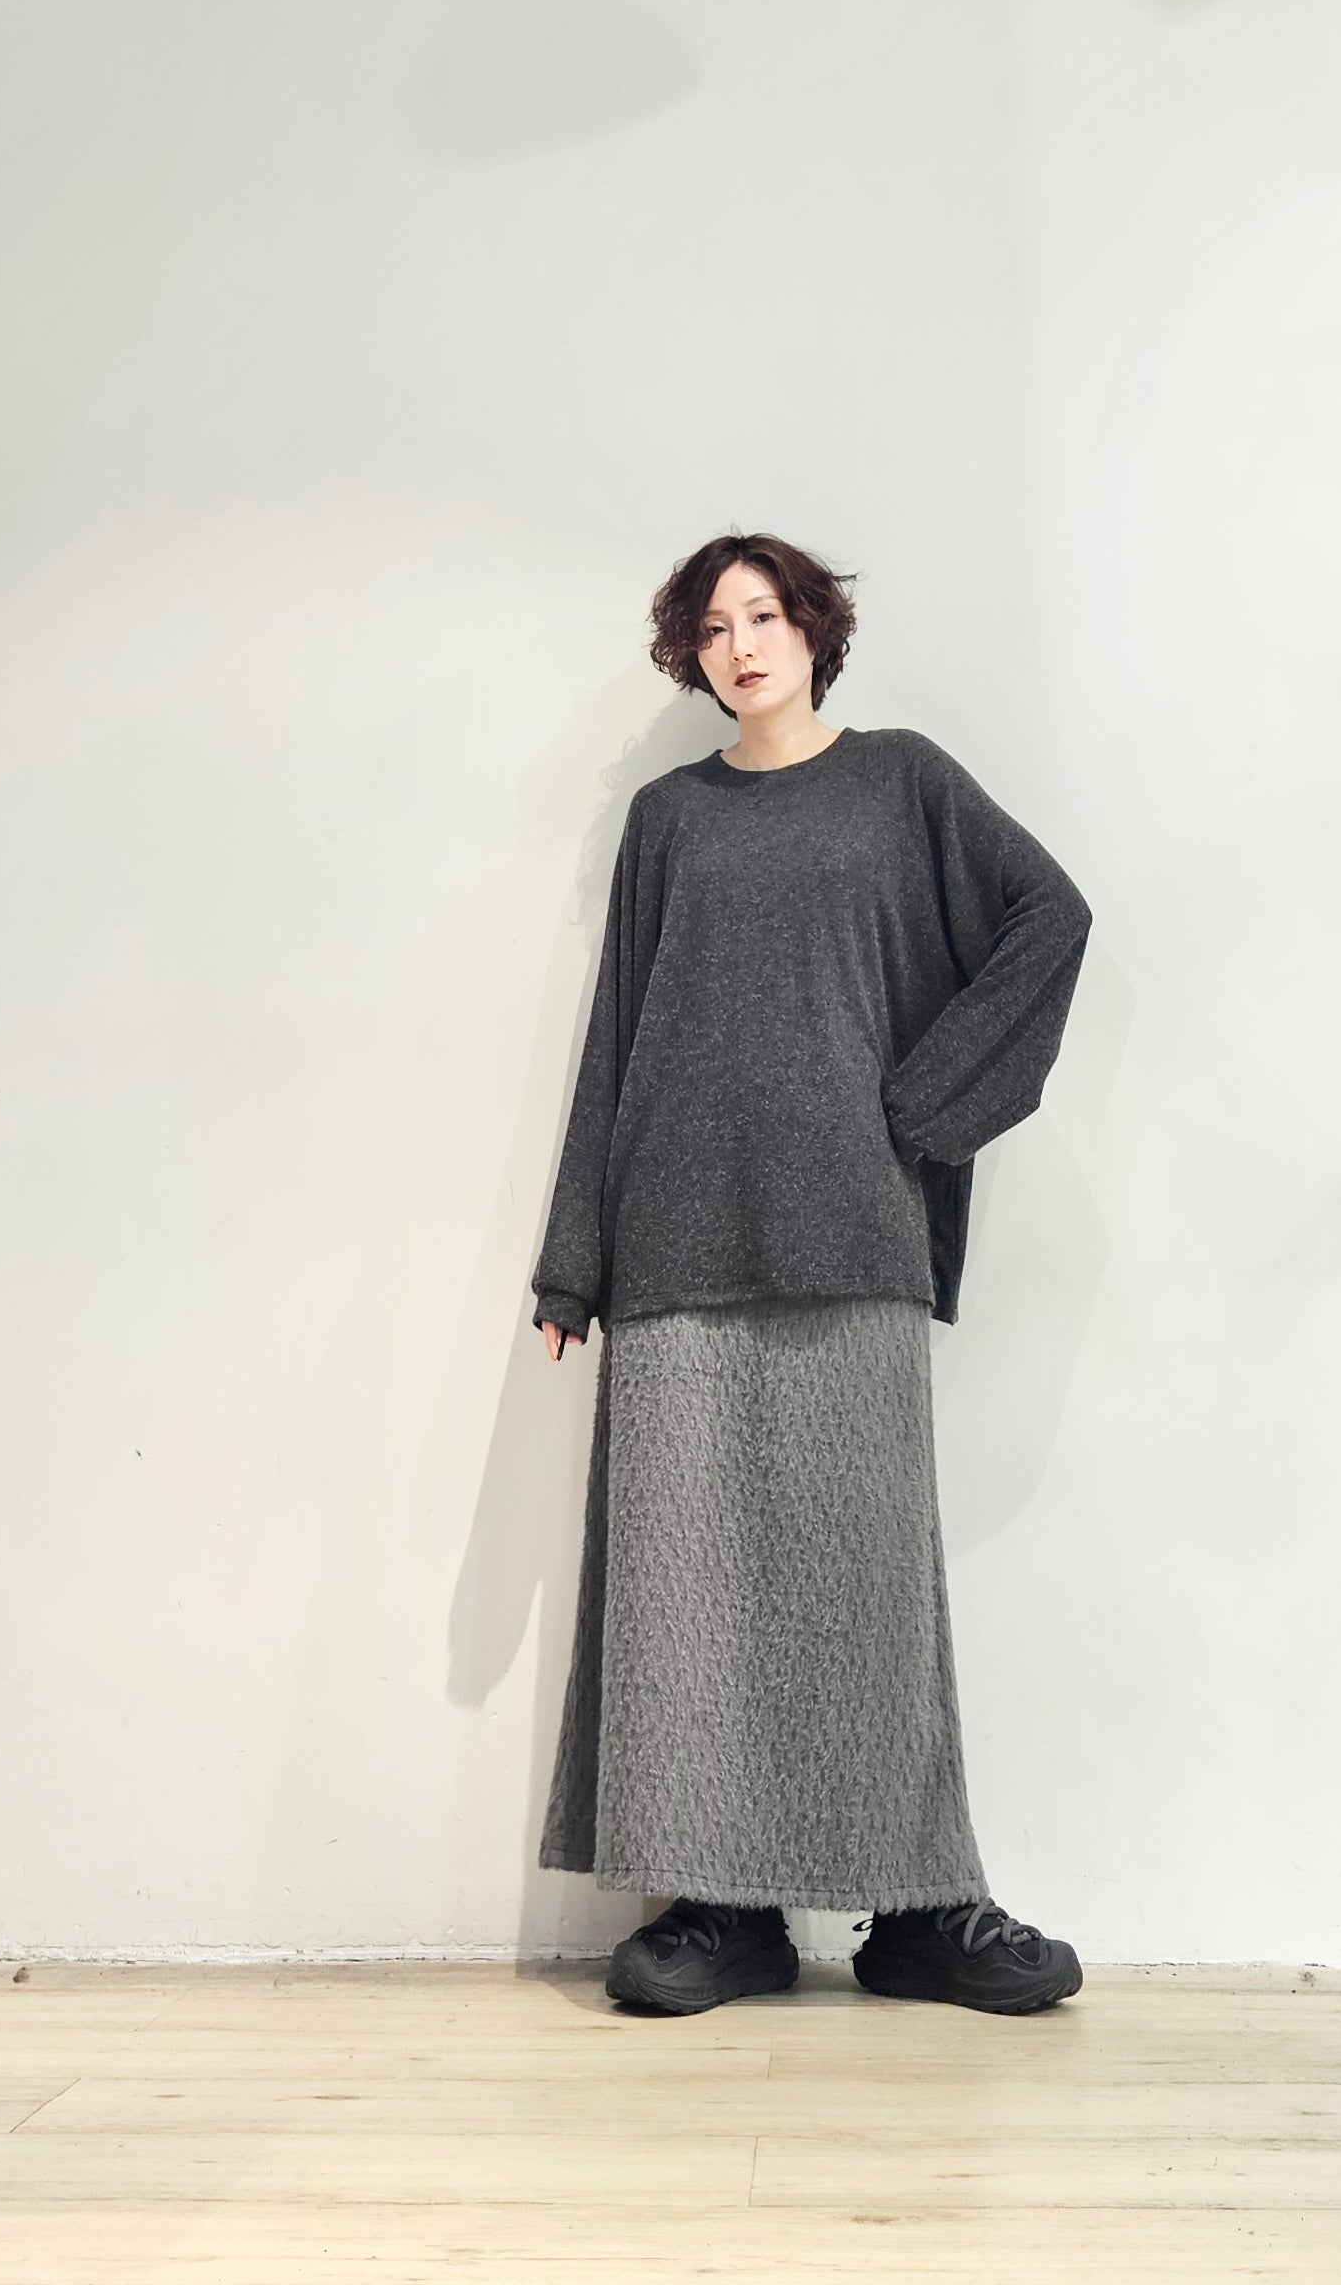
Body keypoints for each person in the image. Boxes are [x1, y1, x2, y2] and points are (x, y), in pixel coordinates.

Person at [530, 529, 1093, 2019]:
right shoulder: (669, 820)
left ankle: (917, 1911)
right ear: (693, 655)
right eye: (714, 627)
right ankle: (724, 1910)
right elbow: (618, 1036)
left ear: (814, 629)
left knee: (866, 1583)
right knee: (686, 1591)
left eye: (765, 615)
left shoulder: (904, 783)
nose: (743, 645)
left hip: (852, 1230)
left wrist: (923, 1108)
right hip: (676, 1242)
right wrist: (573, 1264)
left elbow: (1051, 917)